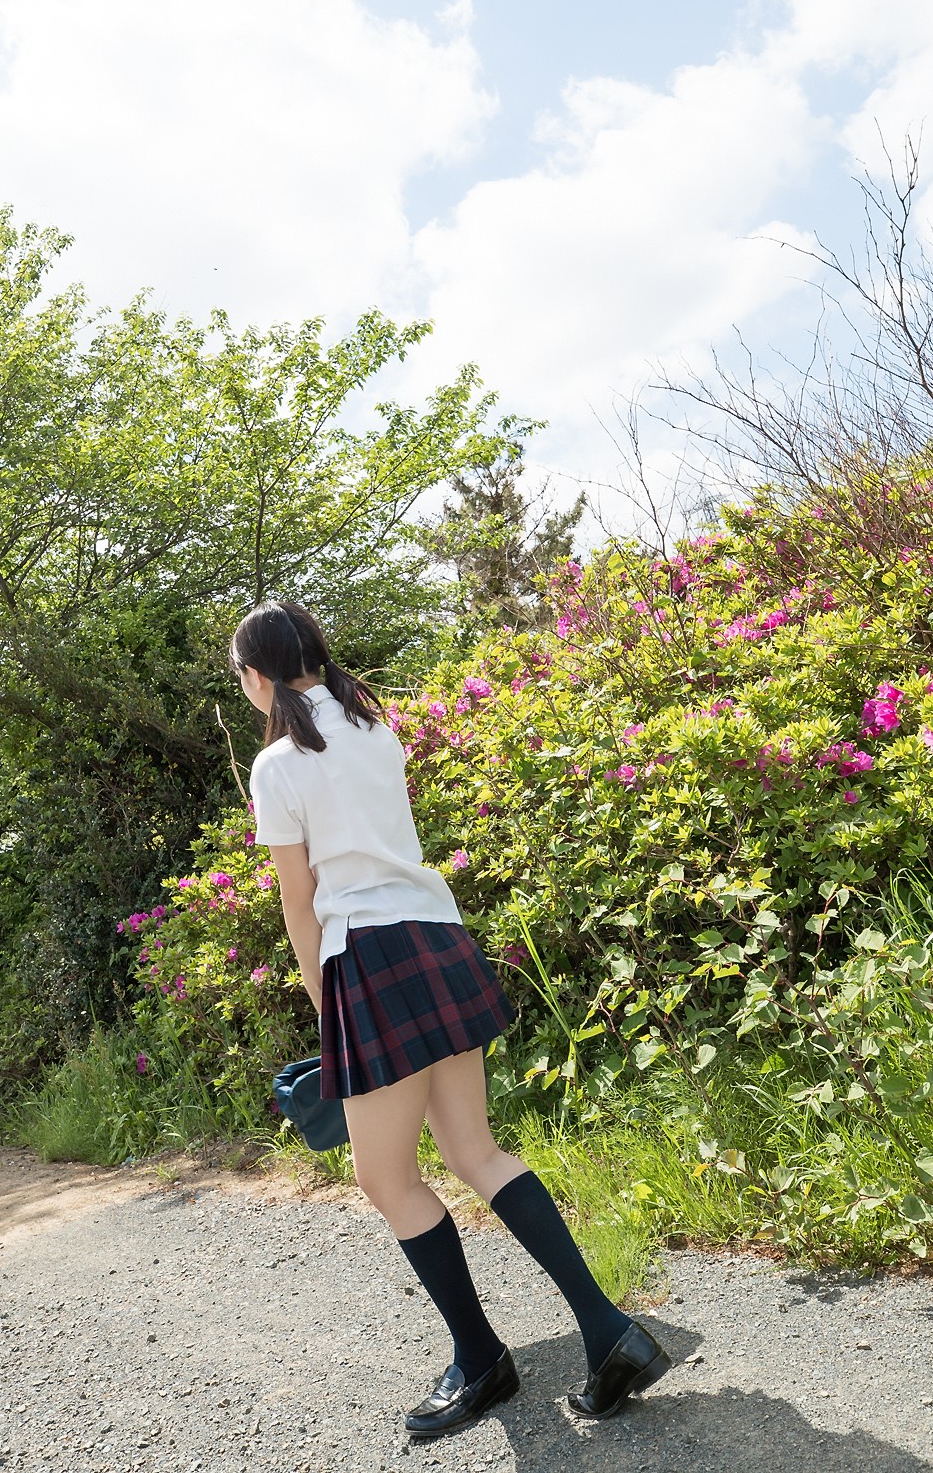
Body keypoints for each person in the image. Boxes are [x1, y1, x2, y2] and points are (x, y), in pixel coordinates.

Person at [230, 598, 670, 1439]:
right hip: (435, 938)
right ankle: (610, 1332)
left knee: (383, 1178)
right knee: (476, 1150)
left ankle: (481, 1360)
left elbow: (301, 900)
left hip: (365, 957)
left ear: (257, 675)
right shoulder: (372, 725)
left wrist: (330, 1015)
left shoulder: (279, 763)